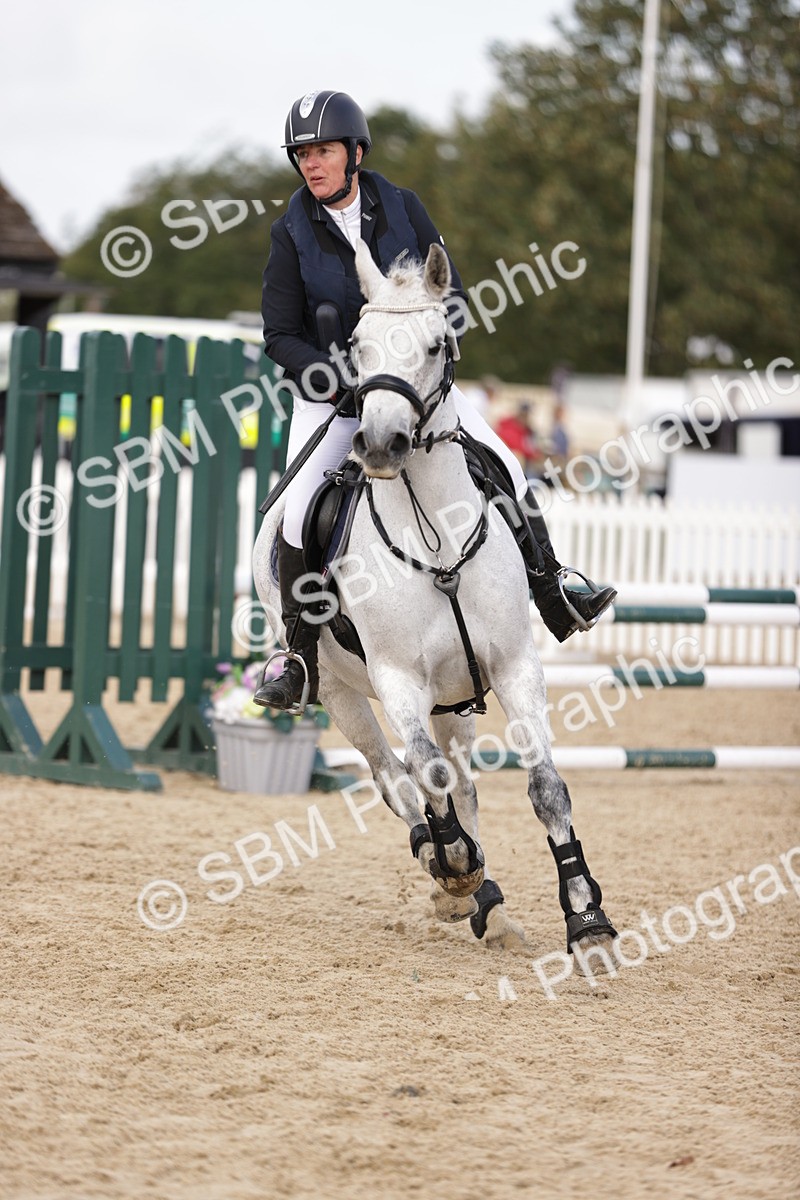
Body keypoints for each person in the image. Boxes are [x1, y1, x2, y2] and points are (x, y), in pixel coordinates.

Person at [254, 90, 615, 711]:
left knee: (503, 463)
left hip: (418, 387)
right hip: (333, 397)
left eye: (323, 152)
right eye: (302, 154)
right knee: (295, 511)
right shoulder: (290, 232)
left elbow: (452, 296)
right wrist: (337, 375)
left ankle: (553, 587)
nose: (311, 164)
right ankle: (296, 654)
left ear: (355, 152)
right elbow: (279, 336)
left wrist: (431, 353)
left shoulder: (402, 206)